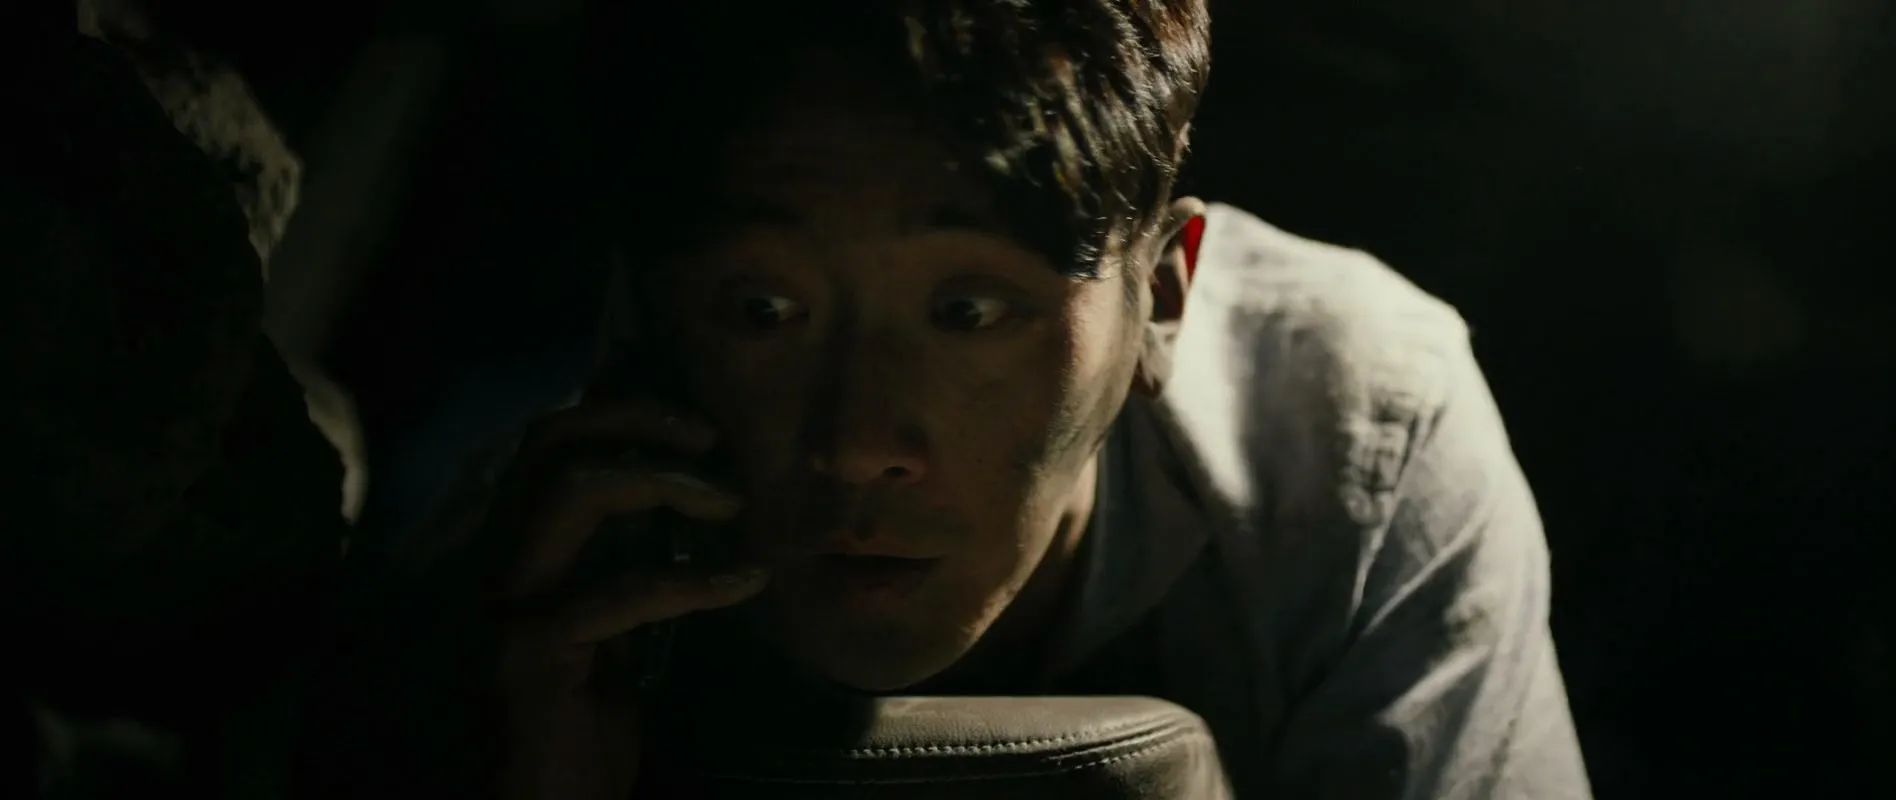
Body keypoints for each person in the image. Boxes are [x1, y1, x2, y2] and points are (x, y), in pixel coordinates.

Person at [324, 1, 1592, 797]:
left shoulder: (1355, 431)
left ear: (1162, 294)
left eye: (970, 311)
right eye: (762, 309)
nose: (856, 443)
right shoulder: (549, 557)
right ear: (650, 310)